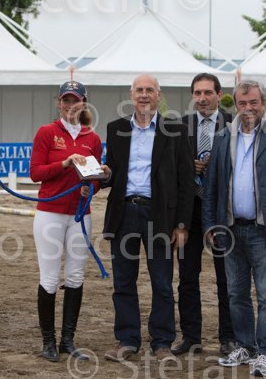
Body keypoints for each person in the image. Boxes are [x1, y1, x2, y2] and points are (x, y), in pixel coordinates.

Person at [202, 80, 266, 377]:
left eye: (253, 103)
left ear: (263, 103)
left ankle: (265, 352)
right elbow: (212, 186)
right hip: (230, 229)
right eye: (242, 103)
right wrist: (210, 224)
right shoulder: (223, 137)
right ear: (235, 104)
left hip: (264, 231)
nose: (248, 108)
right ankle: (245, 346)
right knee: (236, 294)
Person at [102, 74, 195, 363]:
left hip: (160, 216)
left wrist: (182, 224)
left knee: (162, 282)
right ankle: (127, 340)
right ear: (131, 95)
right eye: (139, 90)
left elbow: (186, 182)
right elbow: (113, 173)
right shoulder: (116, 129)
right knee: (123, 282)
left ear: (158, 95)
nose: (144, 95)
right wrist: (99, 176)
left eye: (149, 90)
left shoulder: (176, 131)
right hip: (124, 213)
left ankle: (162, 342)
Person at [29, 81, 104, 362]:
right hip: (50, 212)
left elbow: (96, 178)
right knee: (49, 278)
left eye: (76, 100)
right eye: (66, 100)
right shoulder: (46, 132)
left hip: (80, 214)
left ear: (84, 103)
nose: (71, 106)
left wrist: (91, 187)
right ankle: (48, 341)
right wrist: (64, 163)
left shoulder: (92, 138)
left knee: (75, 277)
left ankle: (68, 340)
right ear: (59, 103)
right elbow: (35, 173)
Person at [172, 73, 235, 357]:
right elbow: (171, 169)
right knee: (187, 278)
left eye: (208, 92)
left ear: (219, 94)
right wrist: (189, 167)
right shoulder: (179, 127)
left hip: (223, 213)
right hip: (190, 212)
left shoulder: (234, 124)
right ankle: (191, 337)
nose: (202, 98)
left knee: (227, 279)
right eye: (197, 93)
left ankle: (228, 337)